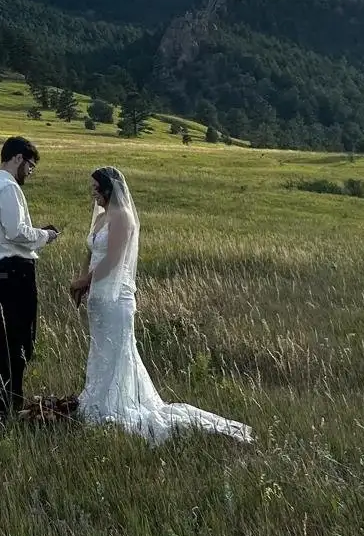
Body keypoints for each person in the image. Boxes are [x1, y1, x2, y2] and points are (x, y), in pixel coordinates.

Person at [69, 166, 253, 445]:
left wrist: (85, 282)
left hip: (115, 297)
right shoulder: (101, 216)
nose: (92, 192)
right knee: (100, 349)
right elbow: (92, 252)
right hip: (97, 297)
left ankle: (116, 403)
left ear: (109, 189)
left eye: (96, 187)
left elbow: (113, 261)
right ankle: (97, 397)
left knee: (118, 350)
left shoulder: (123, 218)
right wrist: (81, 280)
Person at [0, 136, 60, 422]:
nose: (30, 172)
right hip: (16, 271)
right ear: (17, 159)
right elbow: (16, 232)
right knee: (20, 341)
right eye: (30, 166)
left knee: (7, 339)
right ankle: (7, 405)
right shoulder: (8, 188)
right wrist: (45, 236)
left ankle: (4, 403)